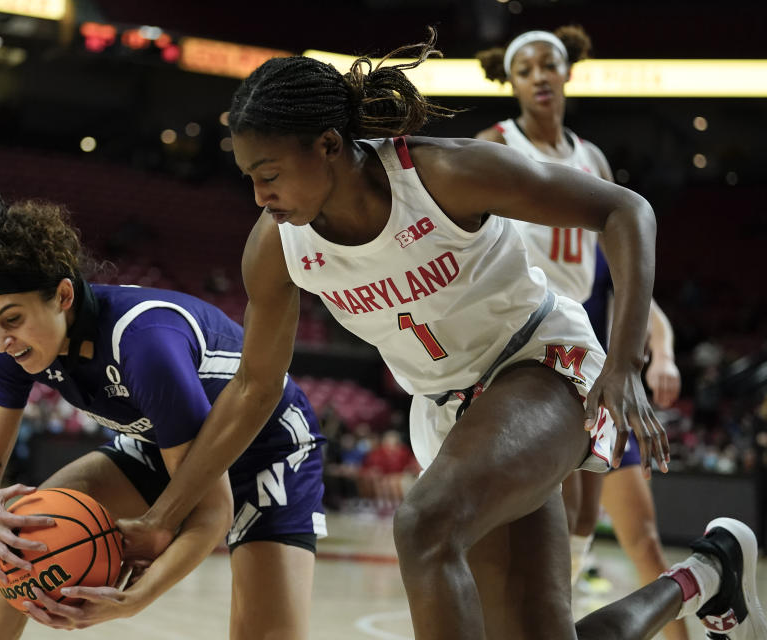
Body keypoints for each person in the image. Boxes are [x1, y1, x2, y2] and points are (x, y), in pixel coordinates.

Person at [114, 29, 766, 640]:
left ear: (329, 146)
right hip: (451, 412)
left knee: (424, 525)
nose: (259, 196)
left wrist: (624, 362)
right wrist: (160, 518)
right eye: (248, 177)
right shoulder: (277, 247)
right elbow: (255, 387)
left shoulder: (442, 175)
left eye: (270, 173)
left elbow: (627, 211)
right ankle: (708, 573)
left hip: (541, 365)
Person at [0, 188, 325, 639]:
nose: (0, 340)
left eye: (11, 319)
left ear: (63, 295)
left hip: (268, 447)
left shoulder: (143, 344)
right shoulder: (11, 349)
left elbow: (210, 511)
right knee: (17, 540)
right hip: (163, 444)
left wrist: (136, 599)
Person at [474, 26, 687, 639]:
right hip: (518, 340)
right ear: (510, 82)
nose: (540, 76)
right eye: (526, 69)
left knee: (590, 508)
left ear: (568, 73)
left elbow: (623, 274)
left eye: (550, 65)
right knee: (545, 508)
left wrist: (659, 348)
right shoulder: (496, 144)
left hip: (584, 339)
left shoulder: (590, 159)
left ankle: (554, 613)